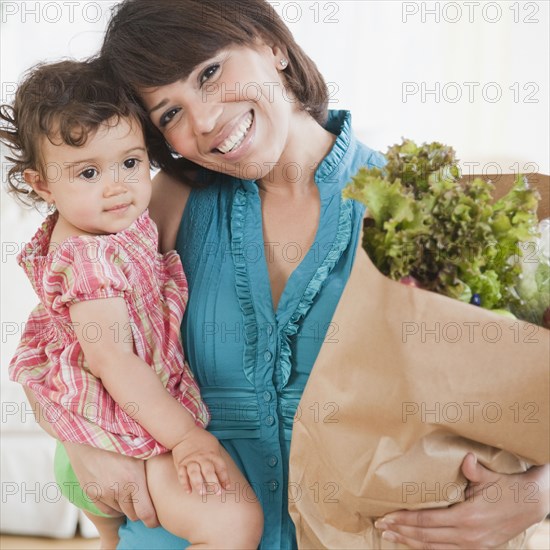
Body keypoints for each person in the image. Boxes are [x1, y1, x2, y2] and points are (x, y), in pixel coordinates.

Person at [22, 1, 550, 548]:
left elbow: (521, 384)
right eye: (169, 114)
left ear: (272, 44)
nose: (203, 121)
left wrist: (536, 493)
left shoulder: (419, 206)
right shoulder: (161, 207)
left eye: (210, 72)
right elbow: (53, 350)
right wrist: (82, 453)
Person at [1, 59, 263, 550]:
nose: (117, 184)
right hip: (112, 425)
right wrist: (187, 439)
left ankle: (106, 538)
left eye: (130, 162)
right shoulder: (89, 258)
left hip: (112, 414)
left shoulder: (112, 218)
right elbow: (113, 360)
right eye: (88, 172)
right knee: (235, 525)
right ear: (42, 185)